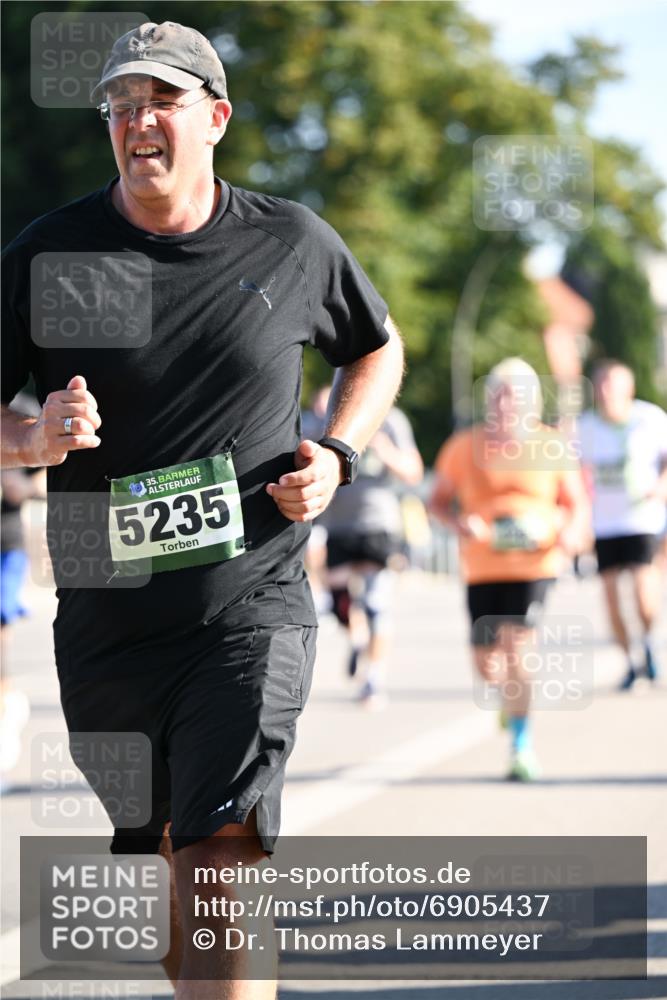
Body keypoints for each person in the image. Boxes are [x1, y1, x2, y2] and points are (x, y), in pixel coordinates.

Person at [1, 20, 405, 999]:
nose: (137, 121)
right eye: (119, 105)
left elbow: (375, 348)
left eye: (161, 101)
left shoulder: (291, 240)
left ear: (215, 118)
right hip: (107, 624)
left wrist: (338, 452)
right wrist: (32, 436)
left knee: (222, 865)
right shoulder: (50, 253)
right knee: (172, 882)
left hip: (249, 609)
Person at [429, 359, 589, 781]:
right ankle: (509, 701)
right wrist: (460, 524)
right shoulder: (464, 446)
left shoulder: (552, 445)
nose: (505, 404)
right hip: (481, 568)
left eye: (515, 396)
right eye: (498, 395)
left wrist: (569, 532)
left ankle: (521, 742)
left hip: (535, 564)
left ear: (532, 402)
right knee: (487, 665)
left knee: (519, 646)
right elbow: (437, 503)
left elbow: (575, 504)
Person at [320, 406, 423, 706]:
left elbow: (413, 472)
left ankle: (373, 679)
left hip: (378, 523)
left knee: (376, 603)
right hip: (338, 524)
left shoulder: (392, 421)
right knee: (340, 604)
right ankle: (358, 640)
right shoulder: (332, 414)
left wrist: (385, 450)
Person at [578, 360, 667, 690]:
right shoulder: (585, 426)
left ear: (628, 388)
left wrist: (661, 486)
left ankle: (649, 641)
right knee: (612, 597)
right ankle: (631, 660)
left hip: (642, 518)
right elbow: (575, 471)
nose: (606, 391)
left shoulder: (649, 418)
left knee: (644, 592)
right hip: (605, 523)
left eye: (612, 384)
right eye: (601, 384)